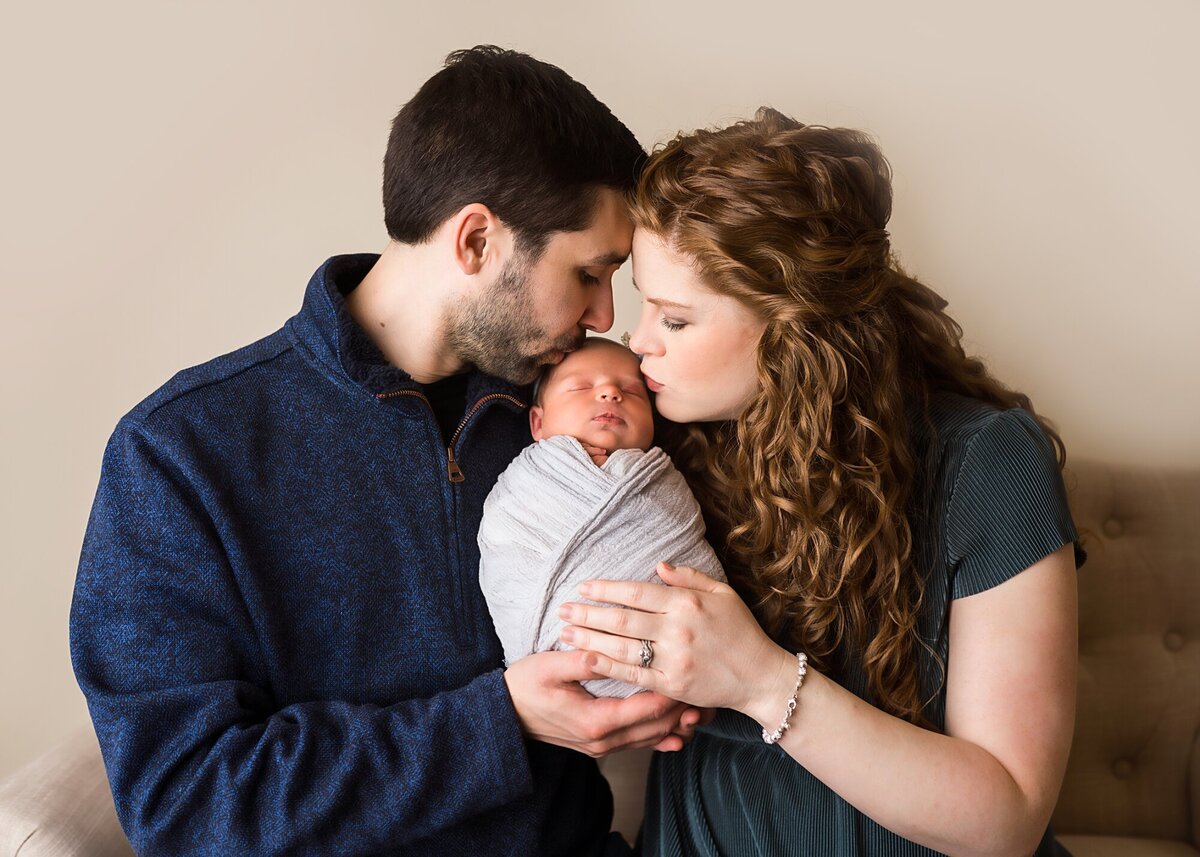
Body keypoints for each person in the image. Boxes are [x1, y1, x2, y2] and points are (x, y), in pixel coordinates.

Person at [69, 46, 701, 857]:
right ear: (477, 240)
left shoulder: (572, 415)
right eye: (589, 273)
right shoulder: (180, 455)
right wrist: (499, 721)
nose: (606, 313)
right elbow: (188, 805)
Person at [559, 108, 1085, 856]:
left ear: (794, 331)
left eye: (675, 319)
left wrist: (762, 682)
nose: (637, 340)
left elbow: (1007, 818)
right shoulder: (653, 452)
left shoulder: (987, 464)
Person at [477, 338, 725, 699]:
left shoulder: (660, 477)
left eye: (632, 391)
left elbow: (688, 552)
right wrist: (565, 465)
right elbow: (503, 545)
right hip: (553, 665)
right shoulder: (521, 484)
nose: (610, 393)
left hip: (684, 663)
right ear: (538, 423)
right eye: (581, 386)